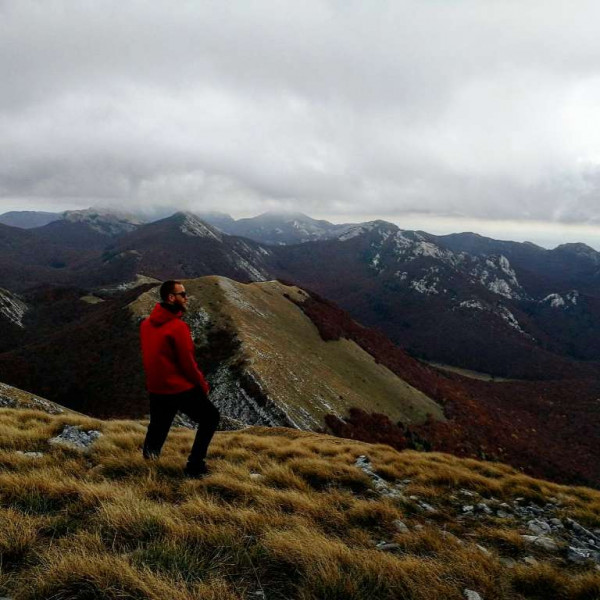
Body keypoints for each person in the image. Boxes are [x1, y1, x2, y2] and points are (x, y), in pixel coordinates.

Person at [140, 280, 220, 478]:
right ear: (171, 298)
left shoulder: (145, 325)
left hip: (156, 387)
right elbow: (188, 364)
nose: (187, 297)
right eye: (183, 294)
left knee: (158, 425)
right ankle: (195, 466)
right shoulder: (178, 327)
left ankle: (148, 464)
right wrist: (202, 385)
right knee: (211, 418)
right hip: (177, 387)